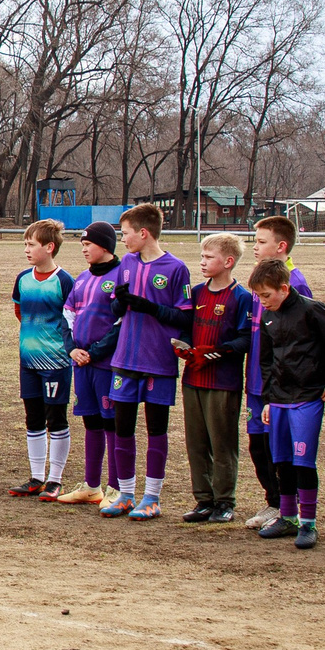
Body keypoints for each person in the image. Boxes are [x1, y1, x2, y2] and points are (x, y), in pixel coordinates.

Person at [248, 258, 325, 549]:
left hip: (307, 399)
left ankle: (308, 523)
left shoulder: (311, 309)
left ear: (284, 288)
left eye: (266, 296)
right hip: (278, 401)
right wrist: (268, 399)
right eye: (258, 297)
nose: (262, 302)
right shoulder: (267, 316)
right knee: (280, 461)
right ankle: (288, 516)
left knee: (303, 462)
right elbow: (266, 361)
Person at [104, 204, 190, 518]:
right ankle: (126, 493)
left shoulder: (176, 268)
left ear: (143, 233)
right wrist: (120, 302)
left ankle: (151, 497)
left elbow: (183, 316)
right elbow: (115, 310)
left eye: (125, 233)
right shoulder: (126, 263)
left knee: (156, 430)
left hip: (158, 361)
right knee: (122, 428)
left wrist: (148, 306)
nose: (122, 239)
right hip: (125, 358)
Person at [162, 231, 254, 523]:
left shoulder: (241, 297)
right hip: (193, 380)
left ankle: (225, 501)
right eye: (201, 256)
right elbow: (186, 326)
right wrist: (186, 348)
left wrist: (215, 353)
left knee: (222, 442)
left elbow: (244, 339)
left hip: (223, 382)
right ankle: (203, 499)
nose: (202, 262)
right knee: (196, 442)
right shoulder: (197, 292)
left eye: (208, 257)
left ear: (228, 262)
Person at [241, 216, 312, 526]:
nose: (254, 247)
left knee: (278, 447)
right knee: (258, 445)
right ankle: (274, 501)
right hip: (257, 380)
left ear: (281, 246)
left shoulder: (295, 285)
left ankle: (289, 506)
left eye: (260, 242)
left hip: (282, 384)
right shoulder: (261, 281)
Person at [54, 222, 121, 505]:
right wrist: (72, 350)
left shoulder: (121, 276)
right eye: (81, 244)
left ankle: (117, 487)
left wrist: (94, 351)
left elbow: (121, 323)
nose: (83, 249)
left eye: (88, 244)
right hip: (81, 364)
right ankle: (92, 485)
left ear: (105, 246)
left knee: (113, 424)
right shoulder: (82, 278)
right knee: (91, 422)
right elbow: (66, 316)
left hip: (106, 364)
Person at [9, 219, 73, 497]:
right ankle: (36, 477)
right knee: (32, 418)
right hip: (28, 362)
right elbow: (19, 312)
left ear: (49, 247)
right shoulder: (23, 279)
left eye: (31, 244)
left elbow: (71, 320)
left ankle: (55, 479)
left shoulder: (64, 281)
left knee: (55, 418)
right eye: (25, 244)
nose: (27, 249)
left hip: (56, 363)